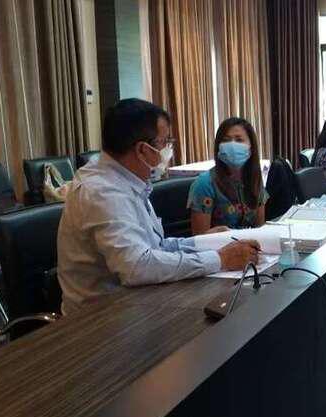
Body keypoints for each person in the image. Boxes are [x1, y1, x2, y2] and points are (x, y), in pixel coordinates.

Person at [57, 99, 259, 315]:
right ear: (143, 150)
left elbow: (156, 247)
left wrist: (204, 242)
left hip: (136, 303)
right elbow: (137, 266)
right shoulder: (102, 192)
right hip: (98, 320)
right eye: (165, 142)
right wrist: (220, 259)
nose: (168, 149)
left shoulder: (127, 181)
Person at [189, 117, 268, 234]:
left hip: (250, 243)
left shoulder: (254, 178)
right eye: (226, 140)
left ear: (251, 147)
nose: (232, 145)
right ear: (218, 147)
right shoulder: (205, 183)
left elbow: (260, 229)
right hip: (217, 245)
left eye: (239, 140)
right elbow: (199, 237)